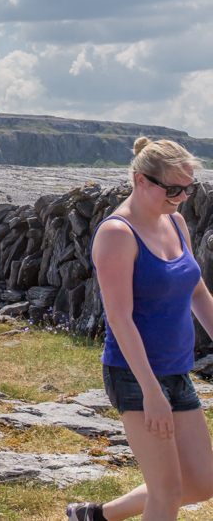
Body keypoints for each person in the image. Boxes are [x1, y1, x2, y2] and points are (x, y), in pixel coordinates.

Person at [68, 138, 213, 521]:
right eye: (174, 189)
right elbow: (119, 318)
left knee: (203, 482)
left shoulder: (176, 222)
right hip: (135, 375)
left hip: (176, 370)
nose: (182, 197)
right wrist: (151, 392)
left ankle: (96, 516)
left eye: (189, 188)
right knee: (167, 493)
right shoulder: (117, 234)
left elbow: (197, 292)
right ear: (141, 180)